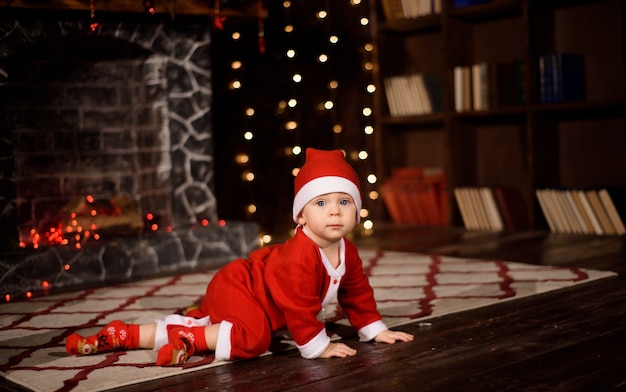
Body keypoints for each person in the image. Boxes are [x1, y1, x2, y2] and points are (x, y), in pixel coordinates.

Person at [66, 148, 414, 366]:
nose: (335, 212)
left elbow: (356, 292)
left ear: (357, 210)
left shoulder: (347, 252)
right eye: (321, 203)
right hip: (240, 285)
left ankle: (124, 334)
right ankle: (189, 339)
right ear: (301, 216)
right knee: (252, 338)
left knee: (214, 323)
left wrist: (373, 329)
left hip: (254, 299)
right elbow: (297, 304)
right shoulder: (299, 257)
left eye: (345, 202)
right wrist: (317, 345)